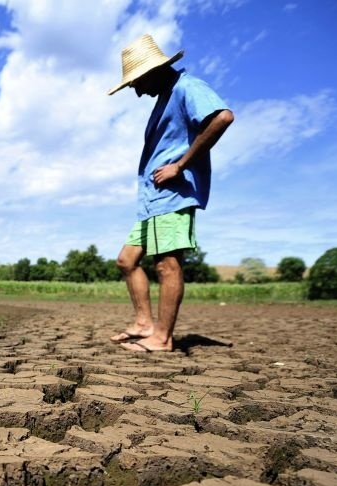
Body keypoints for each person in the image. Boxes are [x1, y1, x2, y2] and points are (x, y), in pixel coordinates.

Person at [107, 34, 234, 352]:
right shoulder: (165, 95)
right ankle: (144, 324)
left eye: (136, 82)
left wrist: (180, 164)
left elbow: (222, 117)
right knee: (126, 260)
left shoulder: (186, 87)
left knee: (167, 264)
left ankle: (162, 338)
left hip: (172, 194)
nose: (136, 91)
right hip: (151, 198)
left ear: (153, 70)